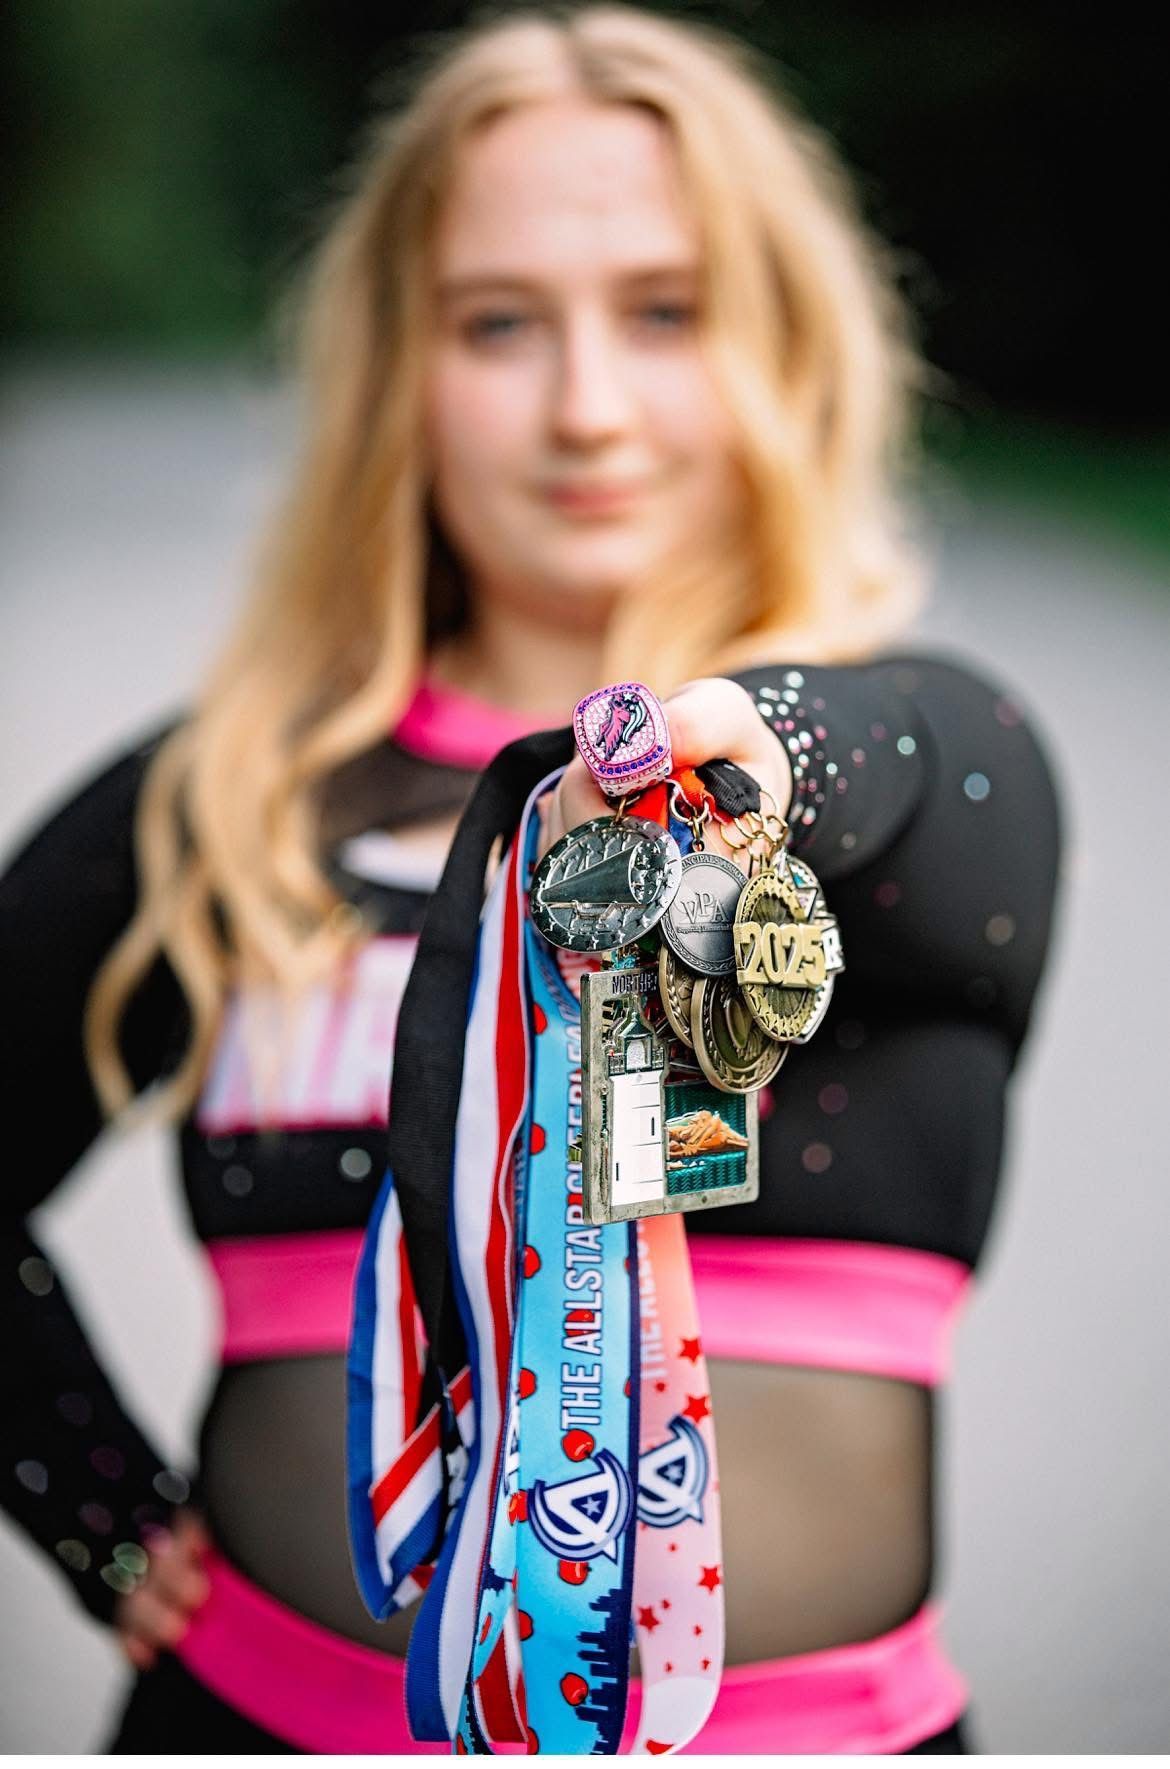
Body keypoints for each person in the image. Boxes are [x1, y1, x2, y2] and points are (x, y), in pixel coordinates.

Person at [0, 3, 1063, 1754]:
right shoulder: (232, 798)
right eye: (499, 324)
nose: (585, 407)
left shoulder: (923, 764)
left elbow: (918, 767)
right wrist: (89, 1503)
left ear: (783, 344)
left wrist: (730, 745)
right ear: (394, 368)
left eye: (665, 311)